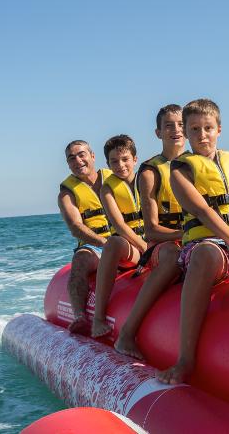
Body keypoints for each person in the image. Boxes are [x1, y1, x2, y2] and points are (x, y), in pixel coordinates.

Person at [156, 98, 229, 385]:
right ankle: (185, 358)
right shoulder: (180, 171)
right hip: (208, 241)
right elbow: (202, 211)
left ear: (219, 129)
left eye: (207, 128)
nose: (202, 135)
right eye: (194, 130)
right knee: (205, 256)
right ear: (187, 133)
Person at [114, 104, 188, 360]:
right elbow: (152, 230)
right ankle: (127, 332)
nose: (176, 130)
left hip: (200, 240)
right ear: (158, 133)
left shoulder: (199, 164)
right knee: (171, 259)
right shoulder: (150, 172)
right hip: (164, 244)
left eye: (180, 124)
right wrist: (183, 235)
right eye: (169, 125)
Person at [91, 134, 147, 338]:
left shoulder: (147, 179)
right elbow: (119, 225)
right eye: (114, 161)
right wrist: (143, 245)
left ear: (135, 159)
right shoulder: (107, 189)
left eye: (125, 159)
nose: (120, 165)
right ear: (107, 164)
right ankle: (98, 318)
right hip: (131, 249)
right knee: (113, 243)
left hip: (155, 244)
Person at [57, 140, 112, 335]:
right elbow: (75, 227)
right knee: (79, 260)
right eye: (71, 158)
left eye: (81, 154)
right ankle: (80, 316)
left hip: (127, 238)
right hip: (95, 247)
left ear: (92, 156)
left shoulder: (114, 177)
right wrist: (105, 244)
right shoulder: (66, 194)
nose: (77, 160)